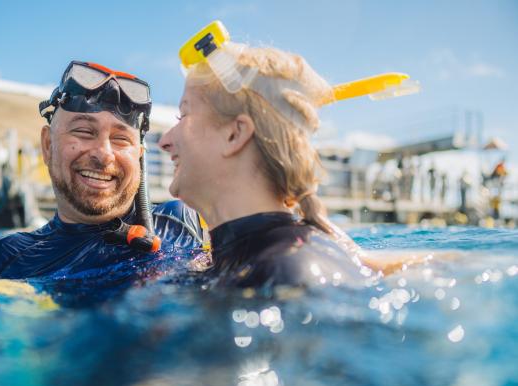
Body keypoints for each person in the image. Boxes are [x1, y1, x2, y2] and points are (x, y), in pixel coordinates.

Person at [158, 21, 425, 288]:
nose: (164, 141)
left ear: (235, 134)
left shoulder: (282, 276)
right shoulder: (270, 262)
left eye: (184, 115)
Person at [0, 61, 201, 284]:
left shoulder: (183, 223)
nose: (104, 154)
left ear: (139, 154)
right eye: (83, 132)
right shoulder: (1, 262)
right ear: (48, 145)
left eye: (121, 139)